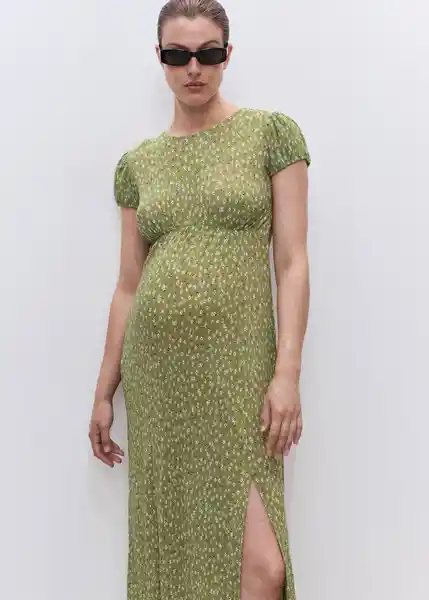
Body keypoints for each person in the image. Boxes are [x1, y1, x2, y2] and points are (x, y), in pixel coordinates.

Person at [88, 1, 311, 599]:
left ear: (227, 55)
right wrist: (104, 391)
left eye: (208, 53)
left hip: (239, 366)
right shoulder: (138, 165)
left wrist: (287, 372)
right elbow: (128, 285)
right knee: (177, 541)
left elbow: (292, 263)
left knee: (263, 568)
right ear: (160, 59)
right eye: (178, 55)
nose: (194, 68)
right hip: (158, 375)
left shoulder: (270, 134)